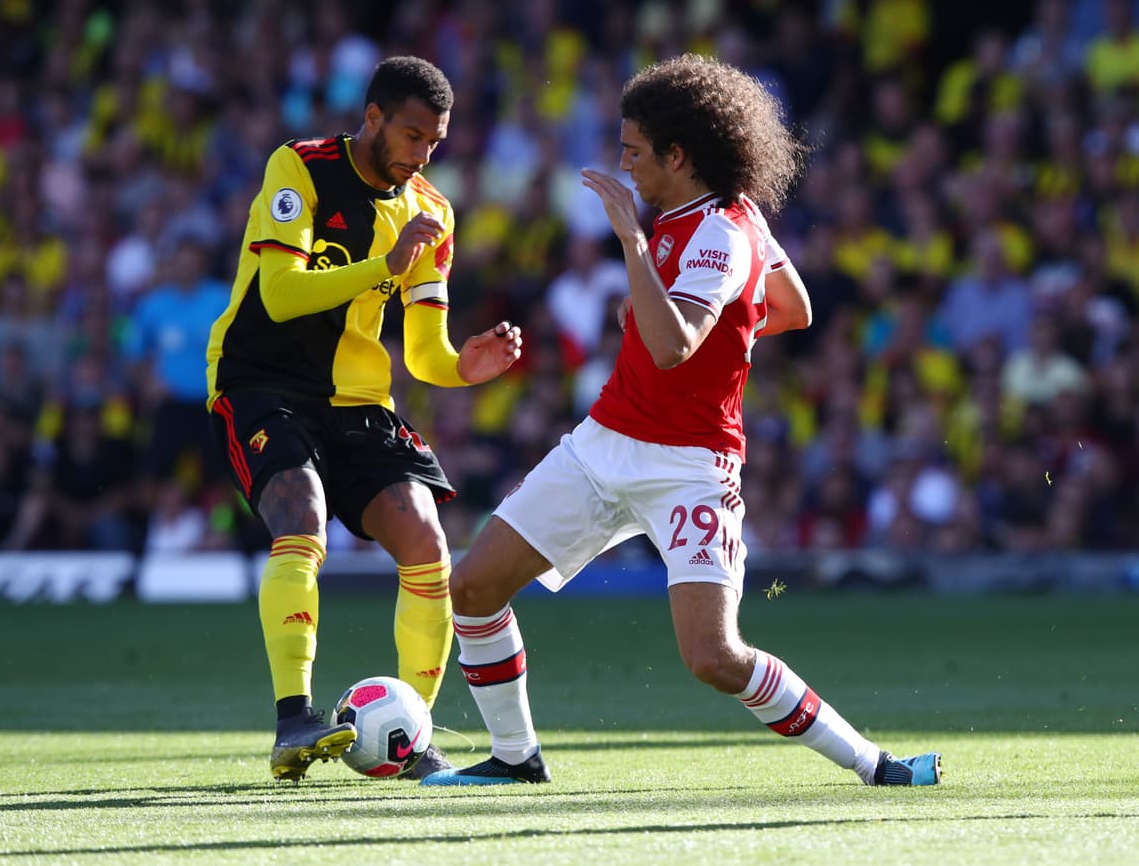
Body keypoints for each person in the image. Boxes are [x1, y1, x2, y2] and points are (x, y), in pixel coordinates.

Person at [422, 55, 941, 788]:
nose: (624, 164)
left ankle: (875, 764)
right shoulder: (732, 216)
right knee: (473, 588)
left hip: (689, 466)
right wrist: (678, 309)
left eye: (635, 150)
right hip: (603, 444)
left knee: (714, 657)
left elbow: (674, 347)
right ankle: (515, 757)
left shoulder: (720, 234)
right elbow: (790, 308)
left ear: (678, 155)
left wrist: (635, 251)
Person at [204, 56, 523, 782]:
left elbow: (426, 353)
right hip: (260, 381)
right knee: (301, 518)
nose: (423, 154)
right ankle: (294, 719)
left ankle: (416, 736)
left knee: (427, 542)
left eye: (435, 142)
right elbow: (281, 294)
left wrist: (463, 367)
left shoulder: (432, 213)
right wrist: (386, 265)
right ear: (372, 117)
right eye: (412, 135)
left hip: (358, 400)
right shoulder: (300, 168)